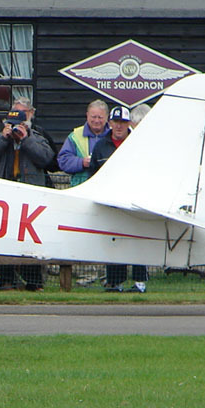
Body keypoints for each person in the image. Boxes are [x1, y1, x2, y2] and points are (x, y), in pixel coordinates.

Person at [0, 98, 55, 291]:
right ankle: (7, 279)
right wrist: (4, 138)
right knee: (2, 238)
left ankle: (34, 281)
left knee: (30, 240)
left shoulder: (36, 137)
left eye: (20, 123)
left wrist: (25, 139)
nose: (16, 127)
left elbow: (46, 159)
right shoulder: (0, 138)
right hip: (5, 196)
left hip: (29, 197)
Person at [90, 105, 148, 293]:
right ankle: (115, 282)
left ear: (129, 124)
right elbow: (93, 173)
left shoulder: (138, 143)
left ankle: (140, 282)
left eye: (123, 122)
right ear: (110, 123)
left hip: (134, 200)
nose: (119, 127)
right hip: (110, 200)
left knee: (136, 240)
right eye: (115, 122)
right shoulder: (101, 146)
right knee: (113, 240)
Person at [57, 99, 110, 186]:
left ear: (107, 117)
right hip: (80, 188)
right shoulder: (75, 136)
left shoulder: (114, 135)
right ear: (87, 115)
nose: (96, 121)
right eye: (93, 117)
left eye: (100, 117)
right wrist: (81, 162)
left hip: (106, 186)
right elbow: (63, 161)